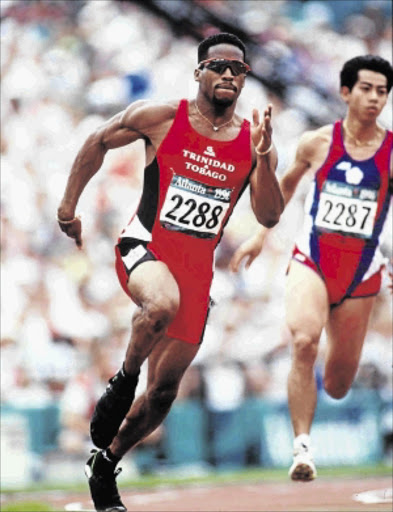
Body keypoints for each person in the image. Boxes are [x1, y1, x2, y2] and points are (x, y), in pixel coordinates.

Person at [57, 32, 284, 511]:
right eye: (218, 66)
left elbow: (267, 216)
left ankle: (106, 463)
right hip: (145, 246)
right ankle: (121, 382)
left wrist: (264, 156)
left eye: (237, 70)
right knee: (160, 305)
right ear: (198, 72)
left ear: (244, 80)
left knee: (162, 396)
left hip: (197, 272)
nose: (227, 75)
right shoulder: (161, 117)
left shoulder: (253, 141)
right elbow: (97, 141)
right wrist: (67, 207)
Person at [230, 55, 393, 482]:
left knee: (338, 384)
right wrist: (261, 234)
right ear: (345, 92)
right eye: (366, 88)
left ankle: (326, 400)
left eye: (382, 91)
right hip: (313, 258)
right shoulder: (317, 143)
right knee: (304, 341)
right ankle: (302, 447)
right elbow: (283, 188)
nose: (374, 98)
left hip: (362, 272)